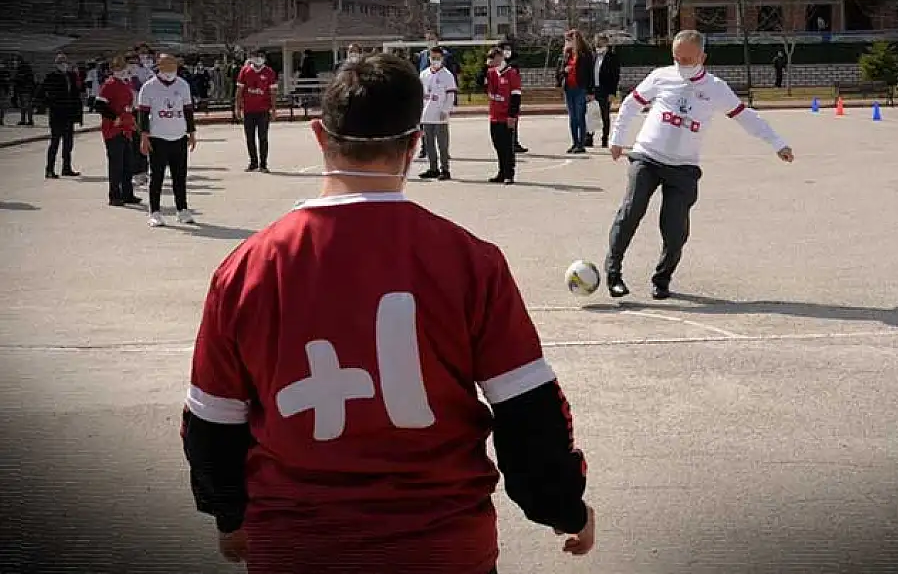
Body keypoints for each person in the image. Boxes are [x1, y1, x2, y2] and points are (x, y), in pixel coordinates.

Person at [180, 52, 595, 574]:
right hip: (441, 546)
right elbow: (529, 413)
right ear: (415, 143)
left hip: (296, 544)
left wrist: (228, 514)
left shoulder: (247, 268)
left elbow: (211, 422)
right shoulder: (470, 260)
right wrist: (563, 509)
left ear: (318, 136)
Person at [605, 30, 795, 300]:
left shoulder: (715, 88)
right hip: (647, 156)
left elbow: (745, 117)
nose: (681, 65)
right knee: (630, 211)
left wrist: (777, 143)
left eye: (688, 59)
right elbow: (629, 105)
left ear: (702, 57)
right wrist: (617, 139)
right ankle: (614, 274)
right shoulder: (661, 76)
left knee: (674, 229)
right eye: (677, 58)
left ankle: (662, 278)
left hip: (683, 168)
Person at [138, 53, 196, 227]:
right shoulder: (149, 87)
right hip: (158, 137)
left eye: (173, 68)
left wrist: (192, 132)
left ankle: (182, 210)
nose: (171, 72)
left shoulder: (183, 85)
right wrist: (144, 137)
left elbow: (188, 110)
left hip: (179, 136)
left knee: (180, 176)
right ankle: (154, 212)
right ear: (159, 68)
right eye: (167, 69)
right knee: (157, 177)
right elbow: (143, 114)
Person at [94, 55, 142, 207]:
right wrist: (114, 117)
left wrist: (132, 120)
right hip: (113, 129)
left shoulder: (125, 83)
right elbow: (99, 105)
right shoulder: (109, 84)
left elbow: (128, 106)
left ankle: (127, 194)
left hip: (126, 128)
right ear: (113, 70)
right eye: (118, 68)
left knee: (128, 163)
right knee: (116, 164)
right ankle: (114, 195)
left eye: (123, 68)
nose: (122, 70)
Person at [40, 52, 84, 179]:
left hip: (68, 115)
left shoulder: (70, 76)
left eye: (65, 63)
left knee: (68, 143)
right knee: (55, 142)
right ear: (56, 64)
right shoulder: (51, 77)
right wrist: (51, 104)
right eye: (61, 63)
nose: (64, 65)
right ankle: (49, 169)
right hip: (57, 115)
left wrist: (78, 115)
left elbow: (76, 94)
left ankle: (66, 167)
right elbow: (41, 93)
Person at [417, 46, 458, 181]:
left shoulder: (447, 75)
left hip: (440, 116)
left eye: (437, 58)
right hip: (426, 115)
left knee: (442, 144)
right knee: (429, 144)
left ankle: (445, 169)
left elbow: (451, 96)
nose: (435, 60)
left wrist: (445, 110)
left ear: (442, 59)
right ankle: (432, 168)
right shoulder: (423, 74)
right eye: (432, 58)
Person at [236, 48, 278, 173]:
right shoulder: (245, 71)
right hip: (249, 110)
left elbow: (273, 92)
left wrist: (274, 109)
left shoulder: (269, 72)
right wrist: (237, 107)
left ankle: (263, 164)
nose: (258, 58)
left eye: (261, 56)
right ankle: (253, 162)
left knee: (263, 137)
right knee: (249, 137)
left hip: (263, 110)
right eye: (256, 56)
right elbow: (239, 91)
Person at [484, 47, 522, 185]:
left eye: (493, 57)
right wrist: (485, 67)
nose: (491, 61)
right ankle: (501, 172)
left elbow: (516, 96)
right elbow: (478, 83)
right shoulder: (490, 72)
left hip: (506, 116)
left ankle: (509, 173)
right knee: (498, 145)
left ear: (500, 57)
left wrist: (512, 115)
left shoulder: (511, 73)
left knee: (507, 146)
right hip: (494, 115)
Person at [555, 29, 595, 154]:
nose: (567, 42)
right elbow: (559, 72)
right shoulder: (566, 55)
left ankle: (581, 144)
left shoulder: (585, 54)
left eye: (569, 39)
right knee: (572, 118)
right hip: (569, 88)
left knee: (580, 117)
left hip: (581, 88)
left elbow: (590, 74)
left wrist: (590, 91)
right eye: (566, 40)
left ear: (576, 40)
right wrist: (564, 71)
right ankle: (574, 142)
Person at [586, 33, 621, 149]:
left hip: (605, 90)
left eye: (600, 42)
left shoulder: (612, 57)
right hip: (593, 90)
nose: (598, 44)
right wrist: (589, 91)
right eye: (596, 42)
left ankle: (604, 138)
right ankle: (589, 137)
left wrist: (612, 93)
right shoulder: (592, 56)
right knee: (591, 114)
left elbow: (615, 76)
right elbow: (589, 74)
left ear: (606, 43)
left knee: (604, 115)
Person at [128, 49, 156, 186]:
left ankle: (143, 171)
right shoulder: (126, 72)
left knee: (143, 140)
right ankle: (135, 171)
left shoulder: (146, 71)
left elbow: (146, 87)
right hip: (130, 110)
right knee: (133, 143)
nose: (132, 63)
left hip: (142, 110)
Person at [498, 38, 529, 154]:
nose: (507, 51)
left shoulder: (514, 64)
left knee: (513, 119)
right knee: (501, 122)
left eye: (509, 49)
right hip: (500, 97)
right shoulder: (496, 65)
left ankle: (513, 142)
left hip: (512, 95)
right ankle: (505, 143)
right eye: (504, 49)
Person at [13, 57, 37, 126]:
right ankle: (25, 120)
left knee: (26, 106)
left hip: (25, 90)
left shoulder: (23, 69)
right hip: (24, 90)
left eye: (16, 61)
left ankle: (28, 120)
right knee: (24, 106)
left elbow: (22, 79)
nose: (15, 63)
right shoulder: (24, 69)